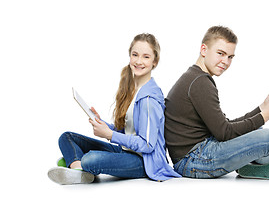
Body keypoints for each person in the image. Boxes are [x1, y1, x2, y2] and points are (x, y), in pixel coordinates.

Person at [48, 33, 181, 184]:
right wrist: (103, 125)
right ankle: (78, 169)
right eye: (135, 55)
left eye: (146, 57)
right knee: (67, 137)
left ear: (155, 62)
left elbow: (147, 145)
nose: (138, 61)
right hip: (125, 151)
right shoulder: (134, 90)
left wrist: (110, 135)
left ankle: (75, 162)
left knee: (91, 159)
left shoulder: (149, 98)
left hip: (144, 162)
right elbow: (129, 133)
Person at [164, 26, 269, 179]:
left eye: (230, 57)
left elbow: (224, 126)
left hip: (197, 153)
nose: (225, 62)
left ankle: (258, 161)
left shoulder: (196, 77)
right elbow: (225, 132)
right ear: (204, 50)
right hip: (193, 161)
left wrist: (261, 109)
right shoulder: (200, 82)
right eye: (220, 53)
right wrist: (265, 115)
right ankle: (264, 161)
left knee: (257, 128)